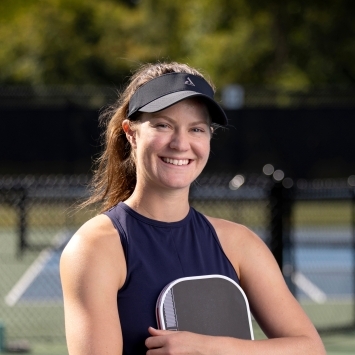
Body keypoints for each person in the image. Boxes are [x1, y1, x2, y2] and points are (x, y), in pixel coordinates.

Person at [60, 62, 326, 355]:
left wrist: (208, 348)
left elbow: (309, 348)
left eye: (196, 129)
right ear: (131, 133)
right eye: (163, 125)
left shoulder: (238, 244)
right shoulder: (97, 247)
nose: (180, 143)